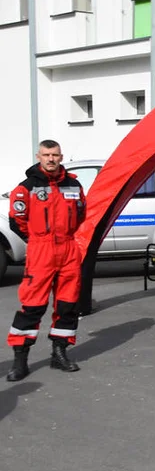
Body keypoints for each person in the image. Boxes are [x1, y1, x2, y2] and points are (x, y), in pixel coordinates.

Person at [6, 140, 86, 381]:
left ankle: (59, 353)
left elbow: (82, 213)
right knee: (32, 306)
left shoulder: (73, 185)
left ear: (61, 157)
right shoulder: (26, 188)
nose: (51, 159)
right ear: (38, 156)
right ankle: (20, 360)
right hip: (41, 251)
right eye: (46, 155)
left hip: (68, 249)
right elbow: (16, 221)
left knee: (68, 305)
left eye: (55, 155)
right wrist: (38, 241)